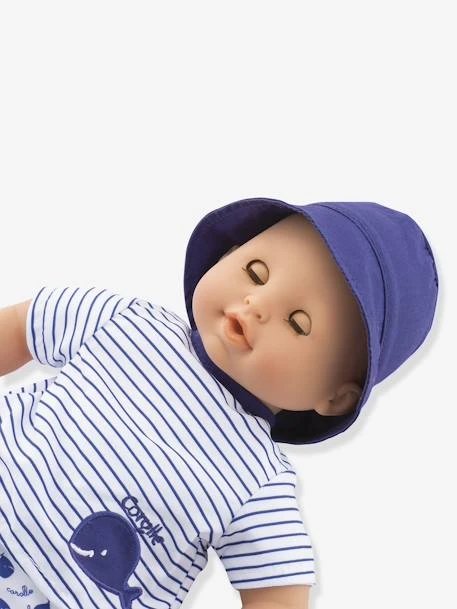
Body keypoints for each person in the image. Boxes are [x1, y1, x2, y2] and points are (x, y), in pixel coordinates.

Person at [0, 197, 439, 609]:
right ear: (230, 252)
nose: (256, 303)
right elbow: (23, 326)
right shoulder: (125, 320)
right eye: (256, 272)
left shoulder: (258, 481)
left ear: (335, 397)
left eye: (298, 323)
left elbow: (279, 592)